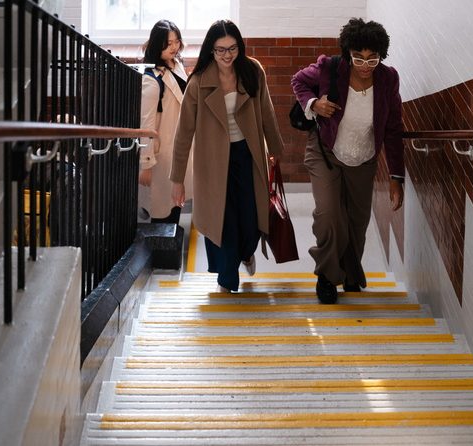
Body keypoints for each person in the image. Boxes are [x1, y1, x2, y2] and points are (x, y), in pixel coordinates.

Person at [291, 18, 405, 304]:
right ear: (348, 54)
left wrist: (396, 176)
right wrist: (313, 104)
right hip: (325, 152)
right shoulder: (330, 68)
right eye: (358, 58)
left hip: (363, 158)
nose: (365, 65)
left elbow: (393, 129)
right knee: (329, 214)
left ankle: (351, 271)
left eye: (372, 58)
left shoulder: (388, 79)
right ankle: (327, 277)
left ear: (381, 55)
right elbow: (299, 81)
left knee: (357, 220)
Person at [170, 19, 284, 293]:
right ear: (211, 50)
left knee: (251, 219)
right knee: (224, 224)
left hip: (249, 156)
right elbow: (183, 133)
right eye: (220, 49)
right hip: (213, 163)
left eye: (232, 48)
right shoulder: (198, 82)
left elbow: (267, 113)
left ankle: (247, 253)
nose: (227, 55)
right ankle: (227, 280)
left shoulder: (252, 71)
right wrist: (177, 179)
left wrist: (275, 151)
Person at [139, 19, 192, 224]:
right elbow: (146, 125)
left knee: (176, 203)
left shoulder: (177, 65)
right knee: (162, 210)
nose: (174, 47)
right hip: (162, 153)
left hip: (178, 146)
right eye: (168, 43)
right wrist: (146, 164)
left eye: (176, 41)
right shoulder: (151, 79)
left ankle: (172, 240)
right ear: (157, 44)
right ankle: (164, 243)